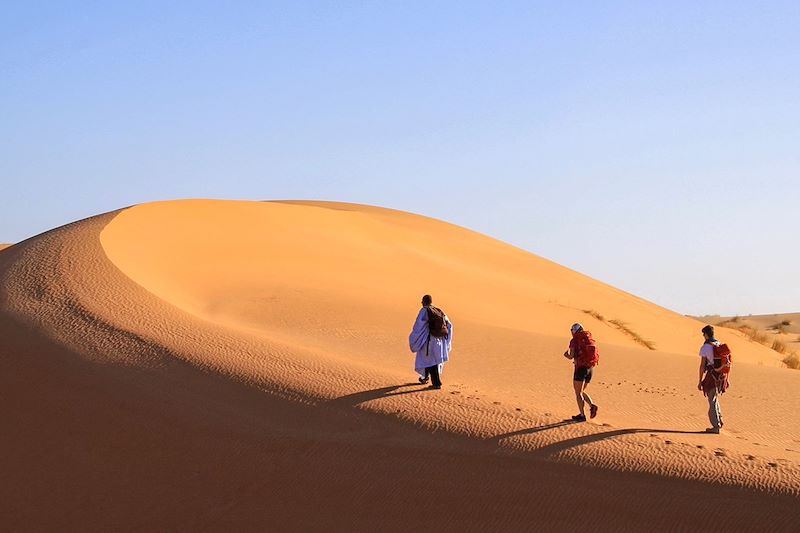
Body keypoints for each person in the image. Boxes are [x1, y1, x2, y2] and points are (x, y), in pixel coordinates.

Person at [408, 294, 453, 389]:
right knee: (428, 359)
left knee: (431, 361)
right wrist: (446, 340)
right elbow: (449, 325)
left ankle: (437, 383)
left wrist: (414, 337)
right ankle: (425, 378)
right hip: (438, 340)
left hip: (429, 340)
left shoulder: (424, 311)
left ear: (424, 302)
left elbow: (418, 326)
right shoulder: (438, 310)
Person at [563, 323, 599, 421]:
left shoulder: (574, 341)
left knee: (578, 393)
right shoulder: (588, 338)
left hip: (580, 368)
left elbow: (571, 356)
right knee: (582, 391)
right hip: (590, 368)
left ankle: (582, 415)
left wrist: (566, 355)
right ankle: (592, 405)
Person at [698, 324, 725, 434]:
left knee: (712, 400)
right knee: (715, 398)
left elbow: (702, 366)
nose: (703, 336)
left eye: (704, 334)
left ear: (706, 335)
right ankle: (719, 420)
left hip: (711, 376)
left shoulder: (705, 347)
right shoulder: (718, 344)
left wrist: (700, 381)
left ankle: (716, 426)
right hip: (720, 376)